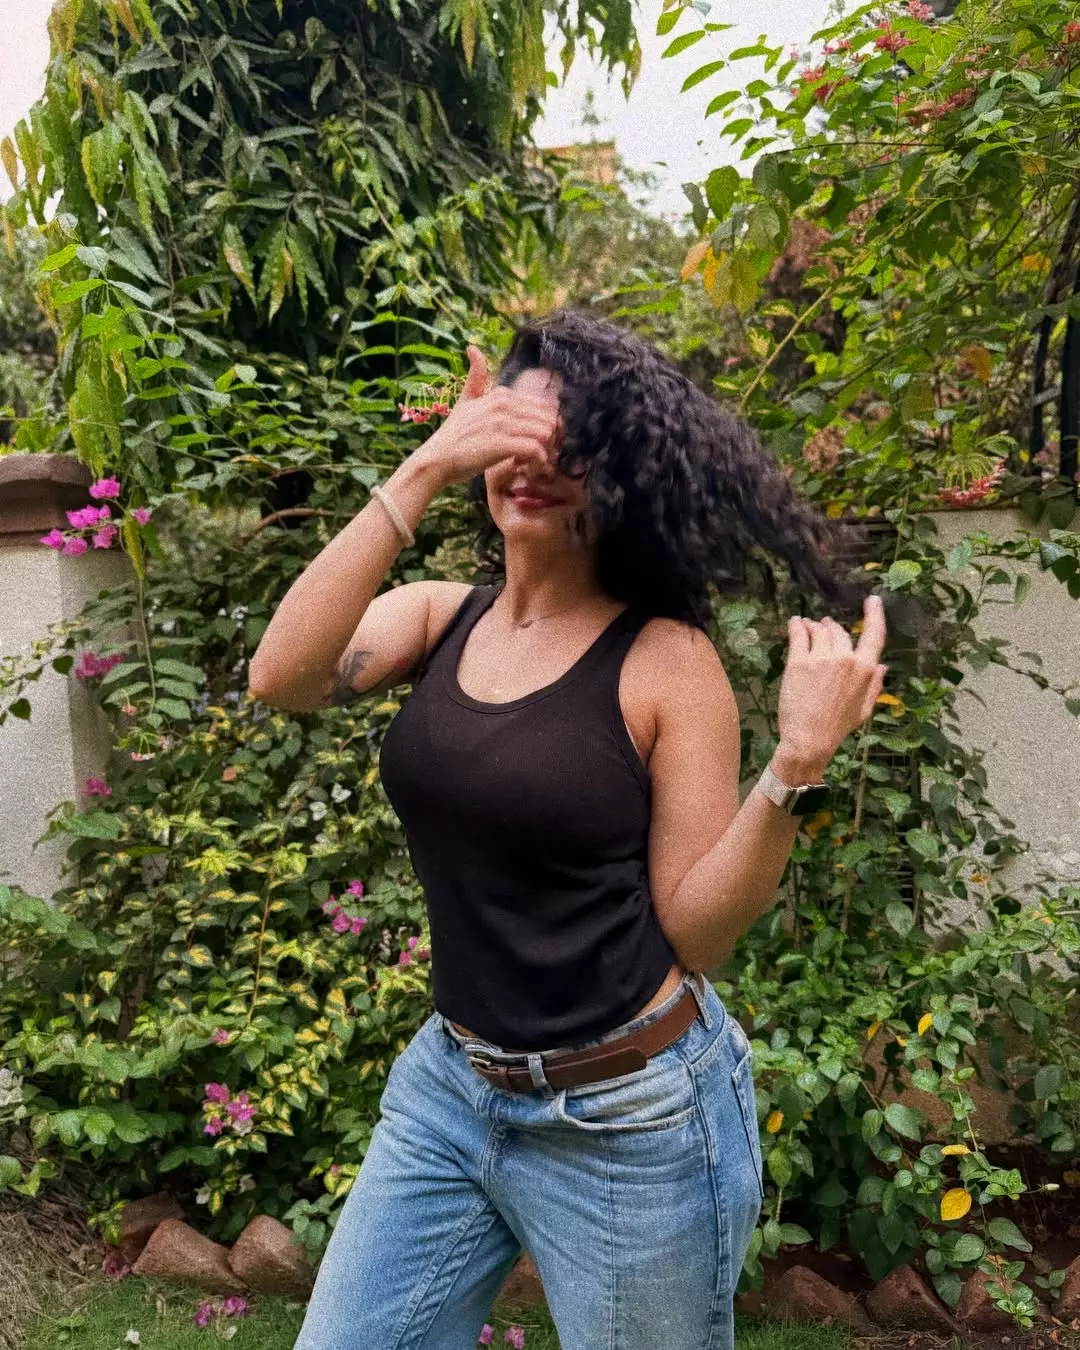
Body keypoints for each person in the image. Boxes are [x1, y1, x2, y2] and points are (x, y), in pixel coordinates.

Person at [249, 310, 888, 1350]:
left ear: (622, 472)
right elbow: (281, 676)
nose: (534, 467)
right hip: (453, 1087)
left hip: (630, 1116)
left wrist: (797, 766)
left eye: (573, 446)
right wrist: (423, 465)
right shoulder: (439, 617)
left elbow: (698, 932)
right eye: (515, 436)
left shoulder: (667, 662)